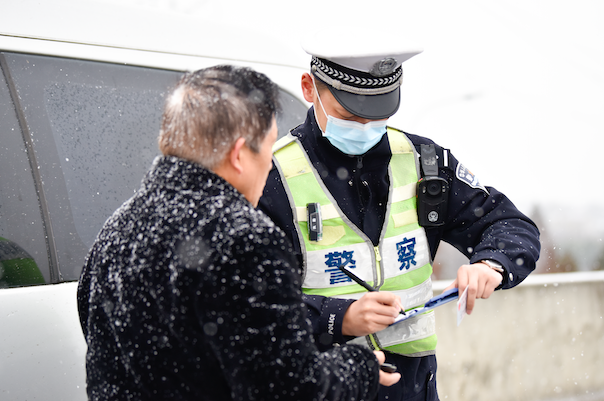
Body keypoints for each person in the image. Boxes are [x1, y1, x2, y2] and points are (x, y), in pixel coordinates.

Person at [77, 65, 400, 401]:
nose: (271, 165)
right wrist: (357, 366)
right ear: (239, 154)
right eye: (269, 148)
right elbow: (290, 389)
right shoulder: (244, 240)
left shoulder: (116, 230)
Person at [258, 38, 541, 401]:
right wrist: (335, 317)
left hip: (413, 389)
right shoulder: (271, 177)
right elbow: (248, 302)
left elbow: (509, 225)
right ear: (309, 88)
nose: (364, 126)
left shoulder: (426, 163)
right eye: (349, 113)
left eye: (377, 114)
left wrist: (491, 264)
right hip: (320, 388)